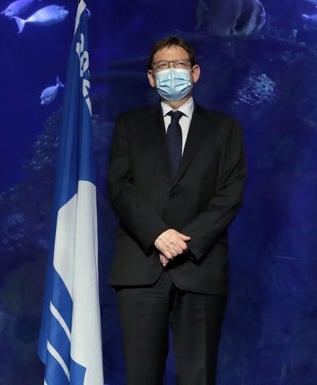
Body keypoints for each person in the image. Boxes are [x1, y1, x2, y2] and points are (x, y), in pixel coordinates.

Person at [106, 36, 246, 385]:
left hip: (201, 267)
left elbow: (230, 192)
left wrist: (185, 241)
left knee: (198, 375)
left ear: (195, 72)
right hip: (141, 266)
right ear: (151, 78)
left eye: (179, 64)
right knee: (141, 375)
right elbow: (118, 186)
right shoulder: (129, 125)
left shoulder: (225, 129)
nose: (172, 72)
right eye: (162, 67)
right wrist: (158, 234)